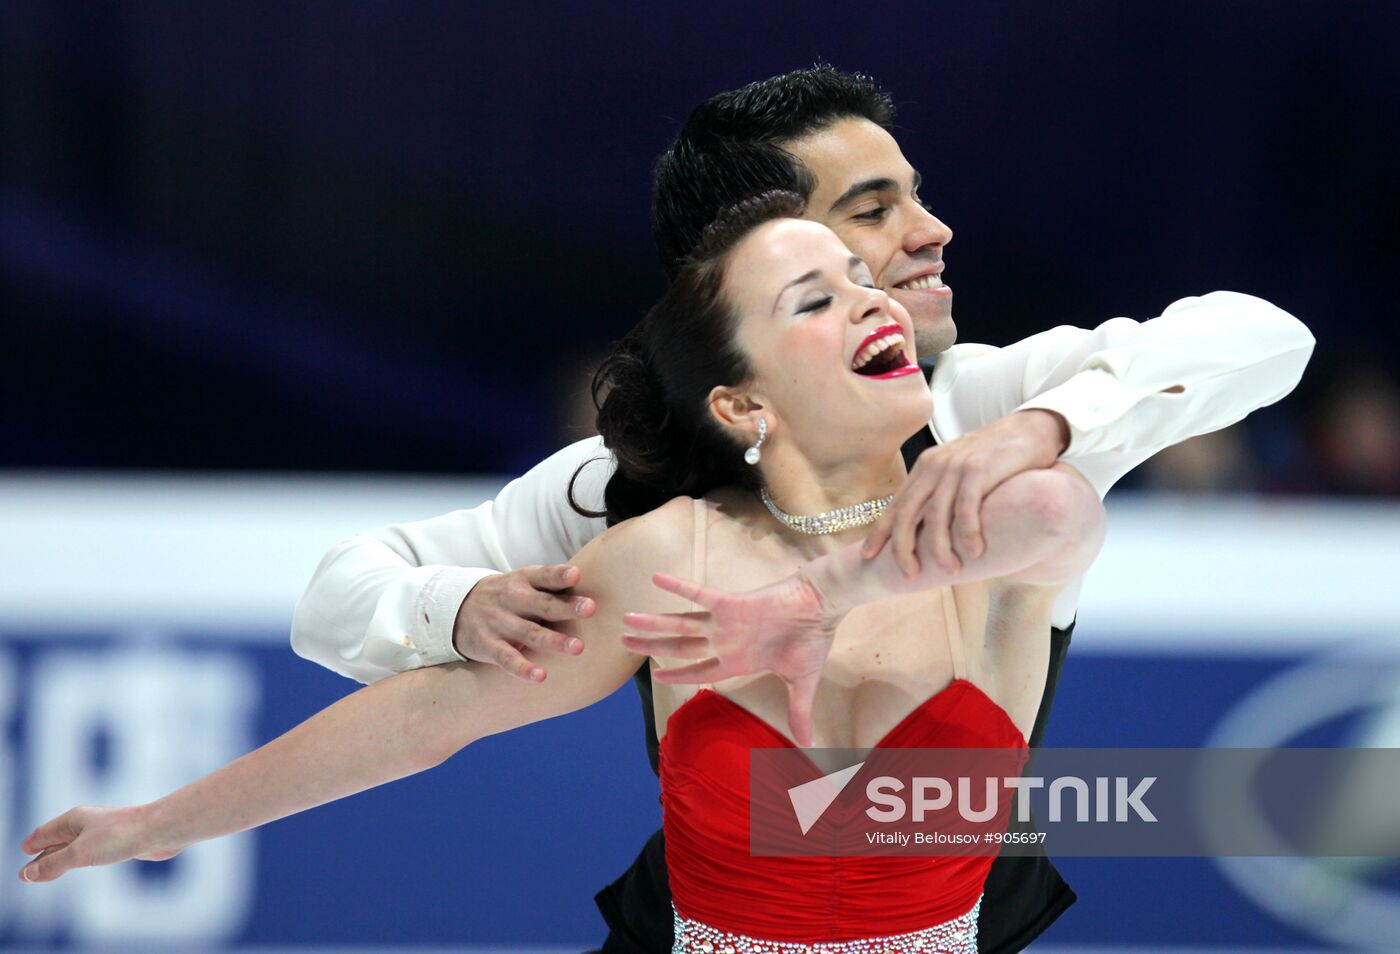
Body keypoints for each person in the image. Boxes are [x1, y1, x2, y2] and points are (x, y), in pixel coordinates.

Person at [290, 67, 1316, 953]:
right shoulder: (620, 484)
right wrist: (453, 608)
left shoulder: (992, 406)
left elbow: (1263, 337)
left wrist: (1045, 426)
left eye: (914, 196)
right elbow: (341, 596)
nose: (930, 231)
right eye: (872, 212)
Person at [20, 197, 1113, 954]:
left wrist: (817, 599)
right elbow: (422, 722)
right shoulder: (670, 557)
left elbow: (1061, 511)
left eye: (864, 280)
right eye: (814, 300)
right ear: (741, 404)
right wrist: (154, 825)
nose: (874, 301)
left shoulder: (975, 537)